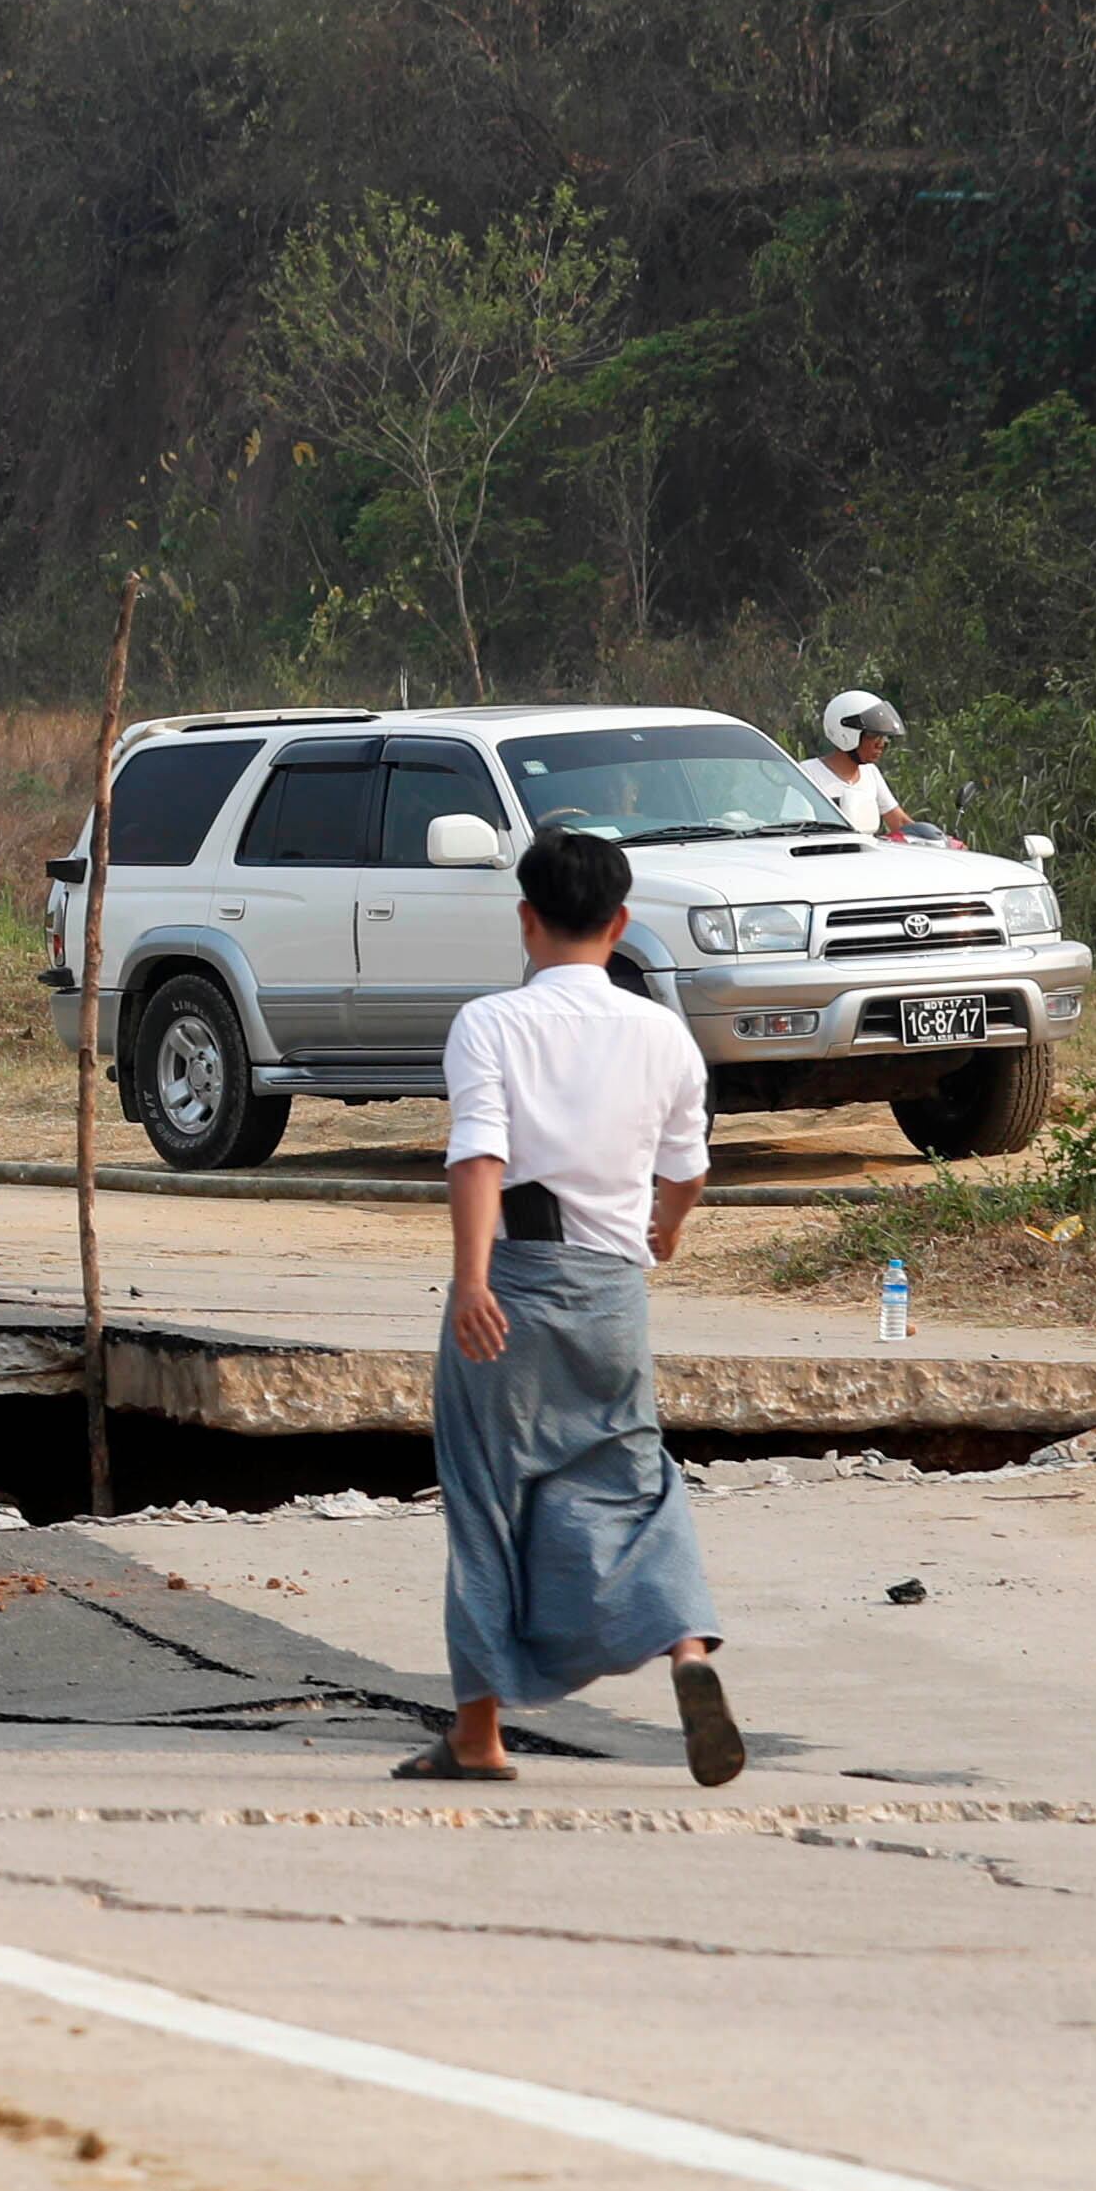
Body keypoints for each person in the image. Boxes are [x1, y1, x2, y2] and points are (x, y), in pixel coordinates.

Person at [421, 826, 742, 1789]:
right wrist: (667, 1230)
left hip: (514, 1277)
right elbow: (687, 1168)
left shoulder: (492, 1024)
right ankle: (686, 1649)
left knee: (487, 1500)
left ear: (527, 920)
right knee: (632, 1477)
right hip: (612, 1294)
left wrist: (473, 1278)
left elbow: (480, 1152)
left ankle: (479, 1734)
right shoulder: (661, 1034)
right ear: (623, 922)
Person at [800, 692, 916, 839]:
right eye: (873, 734)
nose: (881, 744)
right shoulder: (807, 773)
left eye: (883, 737)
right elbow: (794, 830)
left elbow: (899, 821)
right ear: (846, 733)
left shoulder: (870, 773)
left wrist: (934, 841)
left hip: (863, 857)